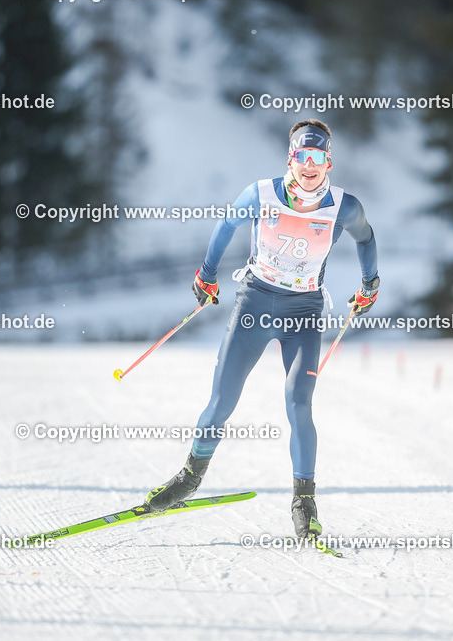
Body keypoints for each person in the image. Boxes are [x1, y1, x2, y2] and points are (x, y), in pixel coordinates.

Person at [144, 119, 379, 539]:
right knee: (221, 400)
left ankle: (304, 501)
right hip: (254, 303)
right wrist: (206, 274)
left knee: (299, 402)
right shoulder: (261, 194)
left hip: (304, 311)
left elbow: (366, 238)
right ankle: (189, 478)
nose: (310, 166)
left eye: (318, 157)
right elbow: (225, 225)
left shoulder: (344, 207)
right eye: (302, 156)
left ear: (329, 162)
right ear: (290, 158)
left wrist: (370, 284)